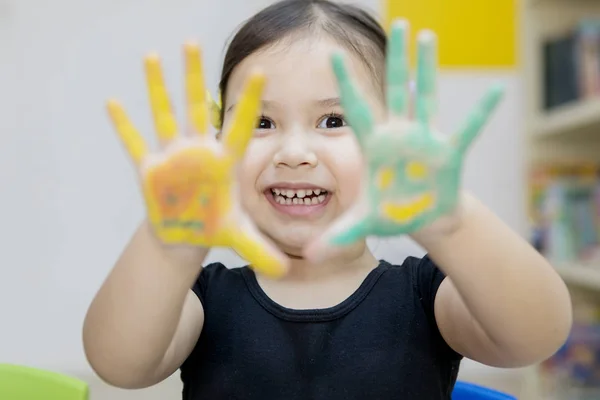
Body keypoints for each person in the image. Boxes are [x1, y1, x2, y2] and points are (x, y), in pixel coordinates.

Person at [83, 1, 573, 399]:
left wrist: (449, 222)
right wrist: (171, 241)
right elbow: (120, 366)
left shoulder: (427, 294)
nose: (294, 153)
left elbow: (534, 335)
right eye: (261, 122)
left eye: (334, 121)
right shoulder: (198, 298)